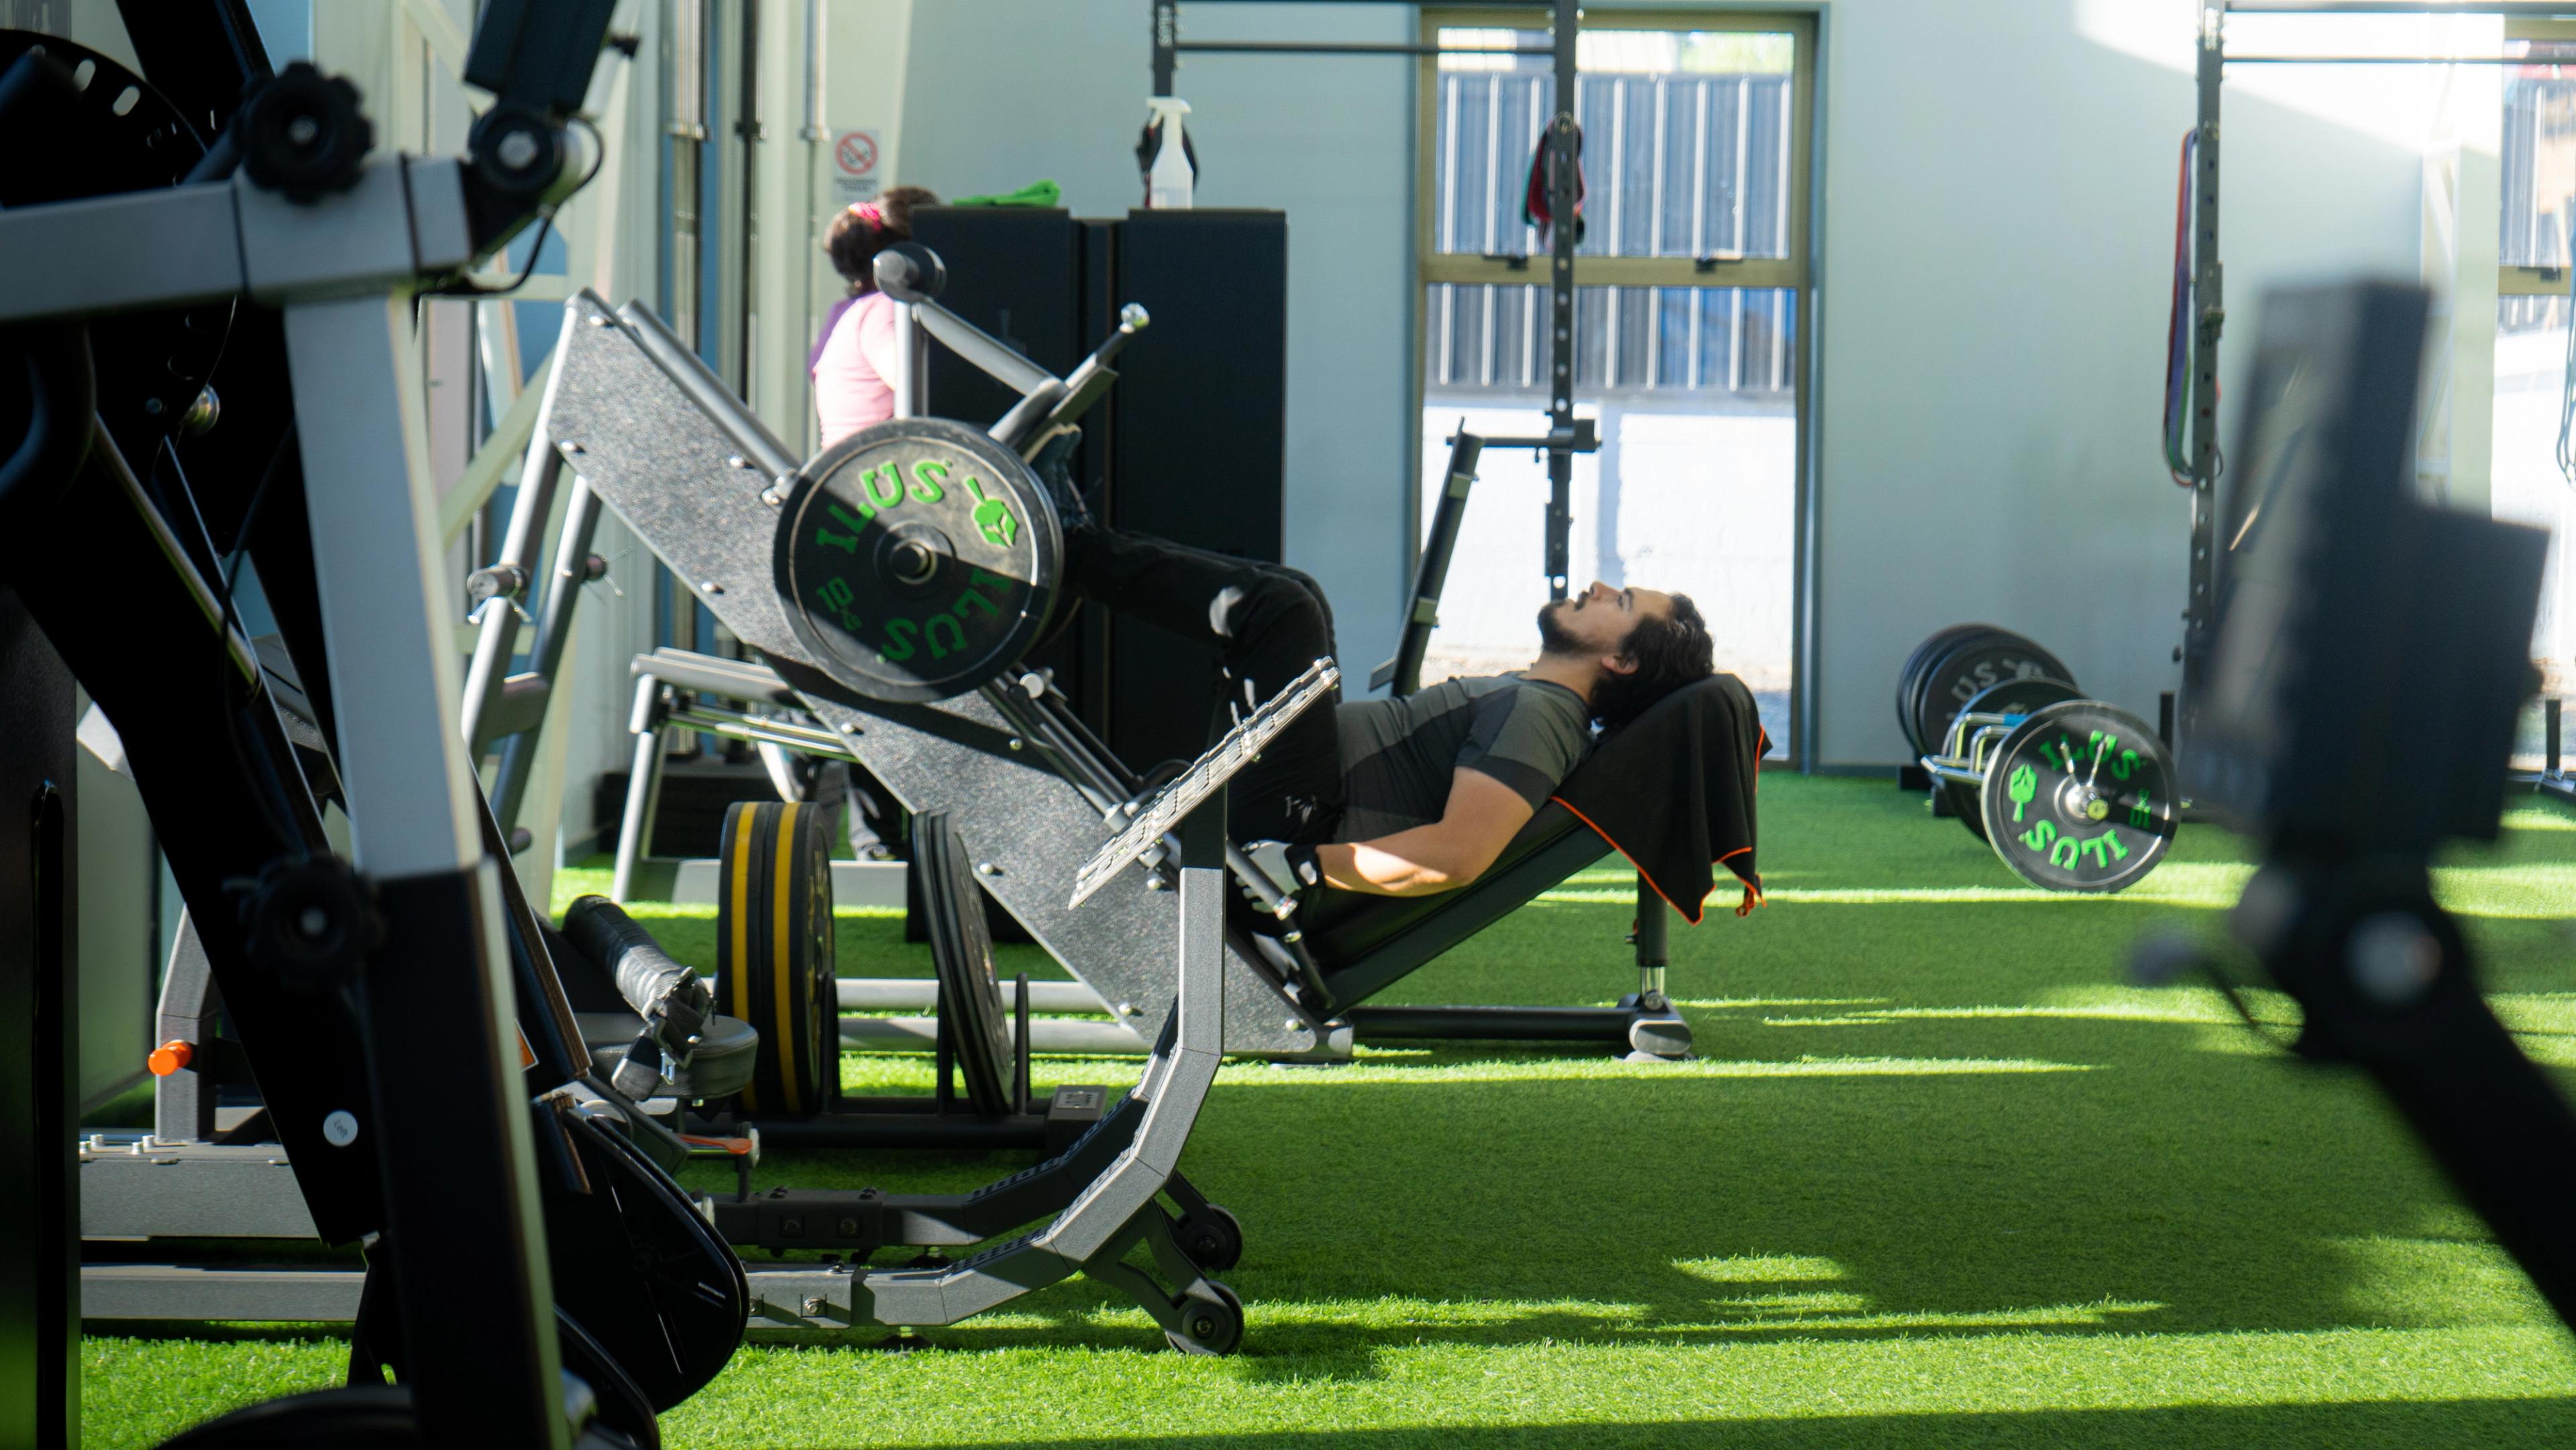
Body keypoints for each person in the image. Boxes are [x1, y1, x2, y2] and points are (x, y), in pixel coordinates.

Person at [1058, 523, 1715, 900]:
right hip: (1296, 801)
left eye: (1621, 601)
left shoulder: (1542, 718)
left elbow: (1460, 854)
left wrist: (1304, 866)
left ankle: (1063, 550)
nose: (1599, 586)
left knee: (1284, 610)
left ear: (1621, 660)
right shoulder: (1534, 699)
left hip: (1290, 826)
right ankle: (1070, 552)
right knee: (1297, 595)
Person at [812, 185, 939, 448]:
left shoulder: (845, 310)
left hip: (855, 464)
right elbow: (913, 384)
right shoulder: (885, 310)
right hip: (880, 467)